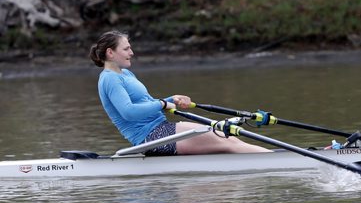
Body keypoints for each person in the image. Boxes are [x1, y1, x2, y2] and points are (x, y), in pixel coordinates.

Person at [89, 30, 271, 156]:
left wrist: (171, 100)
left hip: (160, 129)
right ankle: (281, 162)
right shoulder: (110, 79)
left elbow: (147, 103)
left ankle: (274, 158)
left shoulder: (125, 73)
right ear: (110, 52)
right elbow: (128, 112)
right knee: (225, 140)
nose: (132, 52)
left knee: (226, 138)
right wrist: (162, 104)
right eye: (126, 48)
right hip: (150, 137)